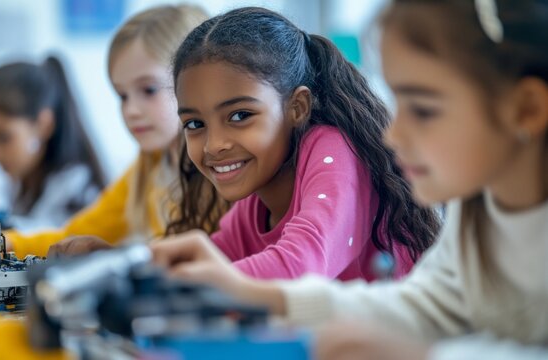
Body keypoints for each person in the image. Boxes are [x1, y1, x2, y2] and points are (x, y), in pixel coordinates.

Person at [152, 1, 548, 359]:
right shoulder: (475, 207)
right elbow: (428, 304)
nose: (393, 135)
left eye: (424, 110)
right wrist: (246, 291)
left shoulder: (332, 149)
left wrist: (425, 356)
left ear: (527, 109)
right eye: (194, 124)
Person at [161, 7, 439, 280]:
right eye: (195, 124)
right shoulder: (253, 207)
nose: (213, 145)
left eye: (240, 115)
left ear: (297, 107)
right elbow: (214, 263)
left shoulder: (334, 150)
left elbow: (303, 266)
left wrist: (200, 282)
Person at [4, 5, 216, 258]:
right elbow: (70, 235)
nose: (131, 110)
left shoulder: (222, 172)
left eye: (148, 90)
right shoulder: (147, 169)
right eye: (122, 95)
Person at [0, 56, 105, 232]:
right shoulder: (22, 188)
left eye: (3, 138)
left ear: (43, 125)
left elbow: (52, 239)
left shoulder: (80, 191)